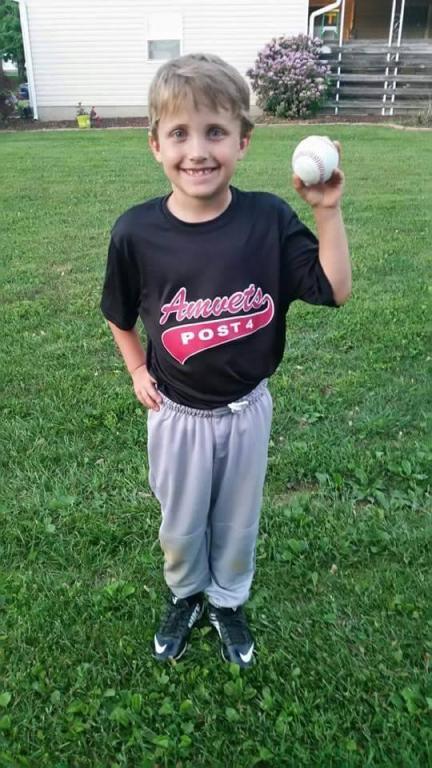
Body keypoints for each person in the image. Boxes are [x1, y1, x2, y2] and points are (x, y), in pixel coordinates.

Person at [100, 53, 351, 667]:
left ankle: (228, 599)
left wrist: (326, 210)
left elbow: (334, 288)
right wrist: (137, 370)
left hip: (246, 412)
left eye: (215, 131)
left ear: (243, 140)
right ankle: (186, 593)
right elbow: (119, 314)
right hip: (177, 414)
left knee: (237, 520)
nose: (198, 150)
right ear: (155, 144)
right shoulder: (136, 232)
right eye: (179, 133)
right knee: (181, 521)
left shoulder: (266, 218)